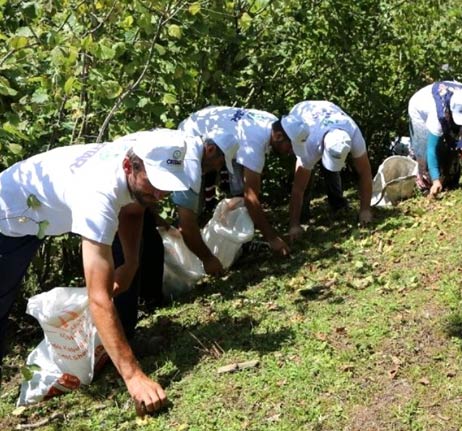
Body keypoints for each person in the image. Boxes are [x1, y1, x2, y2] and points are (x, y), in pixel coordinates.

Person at [0, 133, 194, 414]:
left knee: (122, 261)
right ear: (130, 167)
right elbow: (99, 299)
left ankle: (119, 345)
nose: (161, 194)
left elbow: (133, 210)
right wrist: (134, 378)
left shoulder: (135, 161)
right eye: (155, 184)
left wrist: (130, 262)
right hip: (8, 218)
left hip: (40, 213)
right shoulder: (98, 194)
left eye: (167, 185)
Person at [110, 128, 239, 337]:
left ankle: (146, 304)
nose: (220, 167)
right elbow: (187, 226)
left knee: (148, 248)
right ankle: (122, 335)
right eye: (221, 161)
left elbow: (144, 198)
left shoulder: (179, 150)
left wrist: (156, 218)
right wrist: (208, 260)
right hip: (107, 200)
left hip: (127, 198)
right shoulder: (188, 164)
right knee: (124, 261)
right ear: (211, 149)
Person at [179, 107, 309, 257]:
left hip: (221, 140)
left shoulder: (272, 122)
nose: (292, 151)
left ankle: (238, 243)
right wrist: (272, 238)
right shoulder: (254, 143)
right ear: (279, 136)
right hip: (195, 135)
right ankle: (193, 252)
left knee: (238, 194)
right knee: (192, 204)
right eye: (291, 146)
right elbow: (251, 198)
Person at [285, 100, 373, 240]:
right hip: (302, 113)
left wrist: (365, 210)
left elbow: (365, 172)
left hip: (328, 112)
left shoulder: (353, 133)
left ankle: (337, 204)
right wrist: (293, 225)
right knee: (304, 179)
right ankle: (301, 217)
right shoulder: (308, 144)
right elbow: (298, 188)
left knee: (331, 172)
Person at [408, 80, 462, 198]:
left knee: (452, 140)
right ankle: (427, 185)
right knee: (424, 149)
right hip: (419, 108)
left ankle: (450, 179)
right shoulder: (437, 113)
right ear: (450, 111)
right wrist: (435, 179)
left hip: (445, 103)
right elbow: (431, 149)